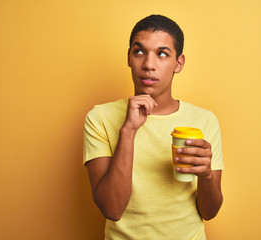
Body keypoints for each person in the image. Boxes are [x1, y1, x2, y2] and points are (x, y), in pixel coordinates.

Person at [83, 14, 224, 240]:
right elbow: (112, 209)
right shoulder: (99, 118)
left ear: (178, 63)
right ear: (129, 57)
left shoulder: (204, 120)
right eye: (139, 52)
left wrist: (206, 175)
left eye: (162, 54)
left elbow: (210, 211)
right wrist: (128, 130)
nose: (148, 65)